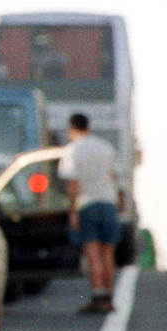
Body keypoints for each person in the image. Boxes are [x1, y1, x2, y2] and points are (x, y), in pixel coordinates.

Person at [59, 112, 123, 313]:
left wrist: (72, 211)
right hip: (108, 203)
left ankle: (98, 295)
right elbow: (114, 177)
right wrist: (118, 201)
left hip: (87, 204)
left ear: (72, 128)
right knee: (107, 253)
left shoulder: (72, 150)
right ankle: (109, 296)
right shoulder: (105, 148)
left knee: (92, 253)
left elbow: (73, 184)